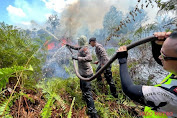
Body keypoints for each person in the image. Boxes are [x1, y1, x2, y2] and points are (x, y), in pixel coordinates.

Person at [117, 31, 177, 118]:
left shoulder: (171, 96)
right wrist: (158, 44)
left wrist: (122, 61)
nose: (160, 57)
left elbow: (129, 89)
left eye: (163, 56)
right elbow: (167, 62)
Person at [66, 35, 98, 118]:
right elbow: (77, 48)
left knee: (87, 93)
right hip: (82, 74)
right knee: (82, 88)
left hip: (86, 74)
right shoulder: (82, 47)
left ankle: (93, 113)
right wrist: (70, 46)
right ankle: (86, 105)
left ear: (81, 41)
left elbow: (89, 58)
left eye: (78, 41)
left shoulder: (85, 49)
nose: (78, 42)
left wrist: (77, 58)